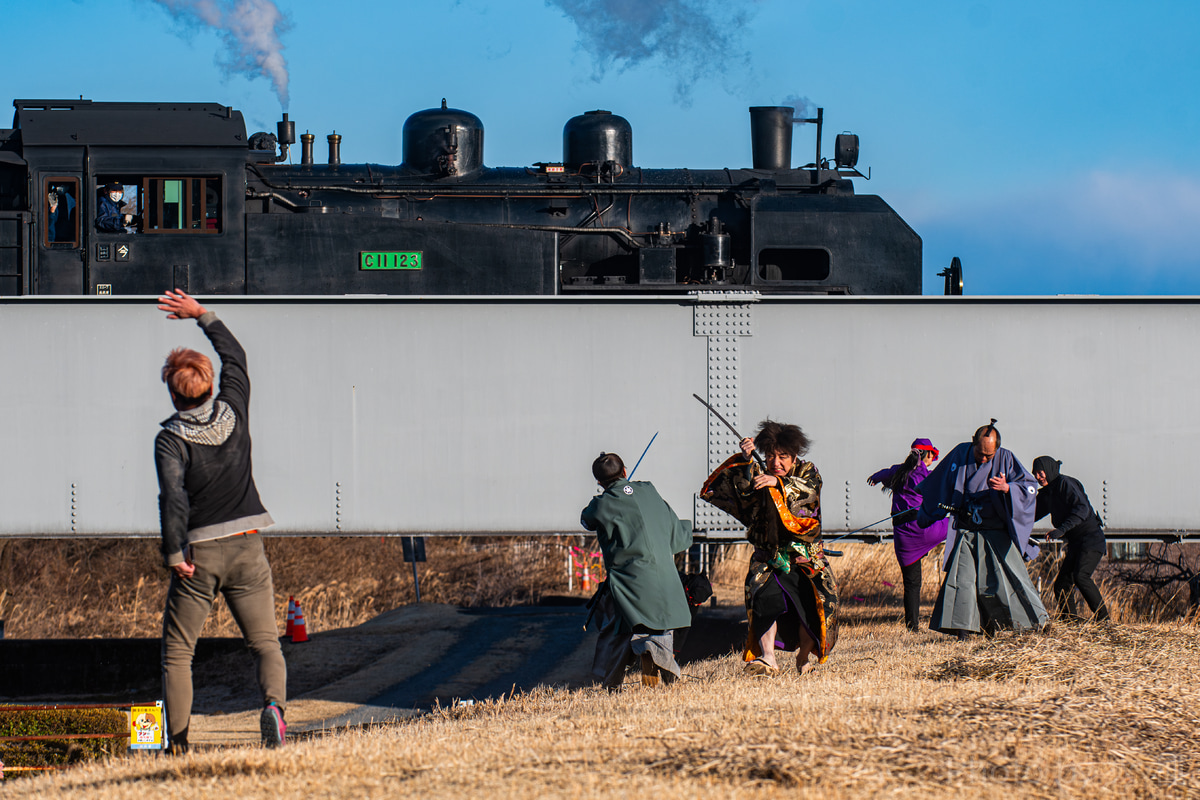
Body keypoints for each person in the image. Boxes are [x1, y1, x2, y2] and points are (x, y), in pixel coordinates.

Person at [154, 289, 286, 752]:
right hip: (249, 544)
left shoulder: (171, 440)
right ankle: (273, 709)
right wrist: (201, 315)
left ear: (173, 393)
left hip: (200, 555)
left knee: (178, 652)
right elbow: (237, 357)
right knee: (265, 642)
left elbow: (173, 497)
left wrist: (175, 552)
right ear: (210, 383)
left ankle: (180, 744)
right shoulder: (235, 409)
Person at [700, 420, 837, 676]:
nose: (776, 462)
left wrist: (778, 484)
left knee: (810, 612)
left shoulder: (808, 471)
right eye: (771, 456)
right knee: (764, 604)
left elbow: (809, 493)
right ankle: (768, 658)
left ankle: (804, 658)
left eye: (782, 456)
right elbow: (742, 495)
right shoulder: (759, 471)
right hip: (767, 557)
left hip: (804, 559)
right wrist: (747, 459)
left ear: (794, 455)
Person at [917, 420, 1049, 638]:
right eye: (980, 453)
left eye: (989, 455)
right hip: (967, 529)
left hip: (995, 531)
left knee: (1008, 579)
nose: (984, 459)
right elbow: (938, 484)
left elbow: (1029, 487)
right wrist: (925, 512)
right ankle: (963, 631)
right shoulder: (960, 454)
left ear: (997, 448)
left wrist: (1008, 488)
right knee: (962, 580)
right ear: (973, 443)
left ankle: (1036, 622)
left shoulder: (1006, 458)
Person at [581, 452, 694, 689]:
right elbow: (676, 533)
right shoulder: (649, 491)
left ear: (599, 482)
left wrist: (605, 495)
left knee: (623, 629)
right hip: (665, 576)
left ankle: (615, 680)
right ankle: (661, 667)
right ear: (625, 471)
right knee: (661, 622)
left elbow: (587, 520)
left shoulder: (601, 504)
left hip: (628, 582)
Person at [868, 438, 949, 632]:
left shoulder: (898, 470)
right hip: (922, 528)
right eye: (932, 455)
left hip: (902, 534)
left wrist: (876, 478)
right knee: (957, 523)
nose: (933, 459)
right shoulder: (925, 475)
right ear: (925, 455)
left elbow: (879, 475)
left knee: (912, 583)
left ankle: (912, 626)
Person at [1032, 456, 1110, 622]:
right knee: (1061, 584)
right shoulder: (1048, 494)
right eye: (1035, 474)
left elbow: (1082, 509)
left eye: (1040, 473)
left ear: (1049, 470)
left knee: (1081, 576)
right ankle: (1071, 621)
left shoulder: (1065, 484)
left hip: (1091, 539)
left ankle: (1104, 621)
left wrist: (1061, 530)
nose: (1038, 477)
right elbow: (1031, 514)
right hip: (1076, 543)